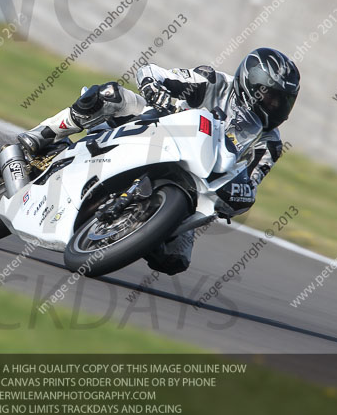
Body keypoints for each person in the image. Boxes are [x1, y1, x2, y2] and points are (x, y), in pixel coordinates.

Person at [17, 48, 300, 275]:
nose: (276, 107)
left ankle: (131, 227)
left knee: (174, 261)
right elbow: (153, 72)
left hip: (195, 185)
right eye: (272, 97)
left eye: (285, 102)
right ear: (251, 84)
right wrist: (154, 88)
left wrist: (238, 196)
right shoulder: (213, 82)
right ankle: (44, 133)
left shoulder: (269, 144)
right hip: (155, 128)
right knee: (109, 96)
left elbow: (251, 182)